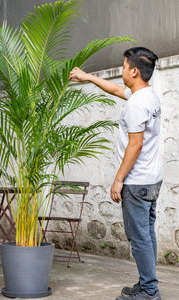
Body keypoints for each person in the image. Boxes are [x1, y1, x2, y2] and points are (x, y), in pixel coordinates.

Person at [69, 47, 163, 300]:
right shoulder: (147, 95)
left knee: (139, 237)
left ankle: (149, 290)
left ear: (134, 71)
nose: (121, 71)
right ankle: (147, 283)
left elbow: (135, 145)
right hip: (152, 179)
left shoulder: (136, 104)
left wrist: (118, 179)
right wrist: (88, 77)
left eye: (123, 67)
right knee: (147, 235)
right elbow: (117, 90)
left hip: (136, 181)